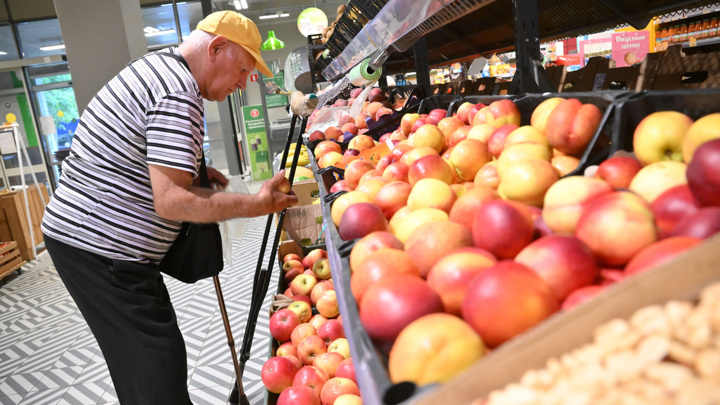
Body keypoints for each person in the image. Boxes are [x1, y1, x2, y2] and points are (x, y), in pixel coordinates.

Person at [40, 11, 298, 405]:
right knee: (154, 365)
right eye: (243, 69)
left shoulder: (159, 67)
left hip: (94, 242)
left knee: (148, 358)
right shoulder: (178, 92)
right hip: (100, 246)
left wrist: (190, 167)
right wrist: (255, 204)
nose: (244, 83)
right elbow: (172, 201)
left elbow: (144, 156)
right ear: (216, 47)